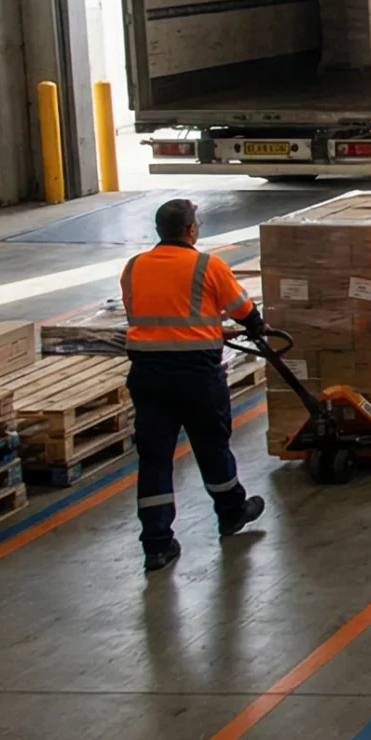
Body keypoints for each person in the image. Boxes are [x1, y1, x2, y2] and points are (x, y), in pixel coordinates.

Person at [121, 198, 270, 572]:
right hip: (196, 375)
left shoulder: (134, 267)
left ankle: (156, 544)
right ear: (191, 230)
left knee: (154, 457)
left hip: (148, 375)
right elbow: (243, 308)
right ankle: (232, 511)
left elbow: (144, 314)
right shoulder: (208, 265)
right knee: (211, 446)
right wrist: (255, 325)